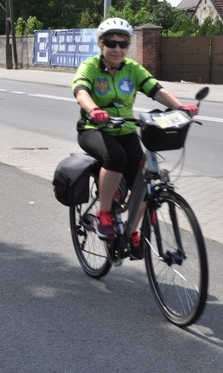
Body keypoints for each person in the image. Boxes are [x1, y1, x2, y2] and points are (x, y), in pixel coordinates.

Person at [72, 18, 198, 259]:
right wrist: (93, 110)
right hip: (93, 129)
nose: (118, 49)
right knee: (115, 157)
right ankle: (104, 215)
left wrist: (181, 107)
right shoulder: (90, 66)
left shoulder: (132, 68)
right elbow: (81, 91)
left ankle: (131, 231)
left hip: (126, 129)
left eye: (123, 44)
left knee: (144, 182)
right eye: (111, 43)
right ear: (101, 45)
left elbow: (155, 89)